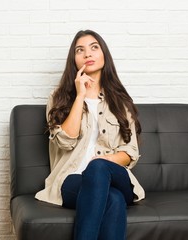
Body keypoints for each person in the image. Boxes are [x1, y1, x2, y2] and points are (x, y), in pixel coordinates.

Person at [35, 30, 145, 240]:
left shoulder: (121, 102)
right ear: (74, 60)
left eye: (94, 47)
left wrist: (105, 161)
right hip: (72, 180)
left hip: (115, 176)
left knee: (98, 167)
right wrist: (80, 96)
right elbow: (65, 141)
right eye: (80, 50)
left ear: (104, 54)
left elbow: (131, 152)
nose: (87, 54)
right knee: (113, 199)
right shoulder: (58, 98)